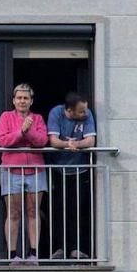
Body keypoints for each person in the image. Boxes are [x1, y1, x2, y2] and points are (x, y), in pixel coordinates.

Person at [0, 83, 49, 265]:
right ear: (13, 100)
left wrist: (29, 131)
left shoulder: (38, 118)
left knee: (33, 211)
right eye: (19, 98)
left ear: (31, 101)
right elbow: (3, 140)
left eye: (26, 98)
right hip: (11, 169)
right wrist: (21, 132)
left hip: (35, 169)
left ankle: (33, 254)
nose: (22, 101)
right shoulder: (6, 117)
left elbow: (42, 141)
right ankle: (13, 255)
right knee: (13, 212)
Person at [47, 91, 98, 260]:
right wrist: (67, 144)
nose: (85, 113)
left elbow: (90, 141)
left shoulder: (87, 114)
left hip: (80, 170)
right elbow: (53, 141)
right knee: (58, 209)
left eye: (85, 110)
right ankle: (59, 248)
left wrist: (74, 144)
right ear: (69, 110)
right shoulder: (56, 113)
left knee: (79, 209)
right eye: (81, 111)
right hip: (58, 170)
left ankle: (78, 248)